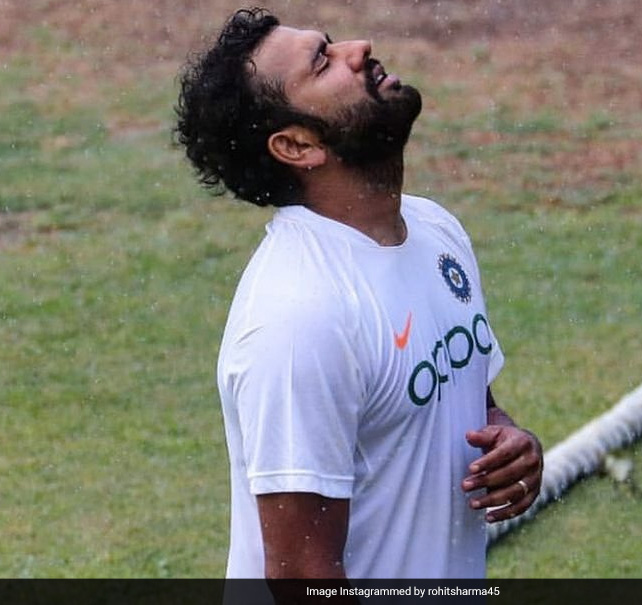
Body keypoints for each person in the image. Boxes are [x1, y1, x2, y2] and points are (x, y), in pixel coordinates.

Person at [175, 7, 543, 580]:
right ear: (297, 145)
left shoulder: (434, 230)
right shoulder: (299, 319)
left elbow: (466, 401)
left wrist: (508, 442)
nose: (359, 48)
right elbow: (302, 578)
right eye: (323, 63)